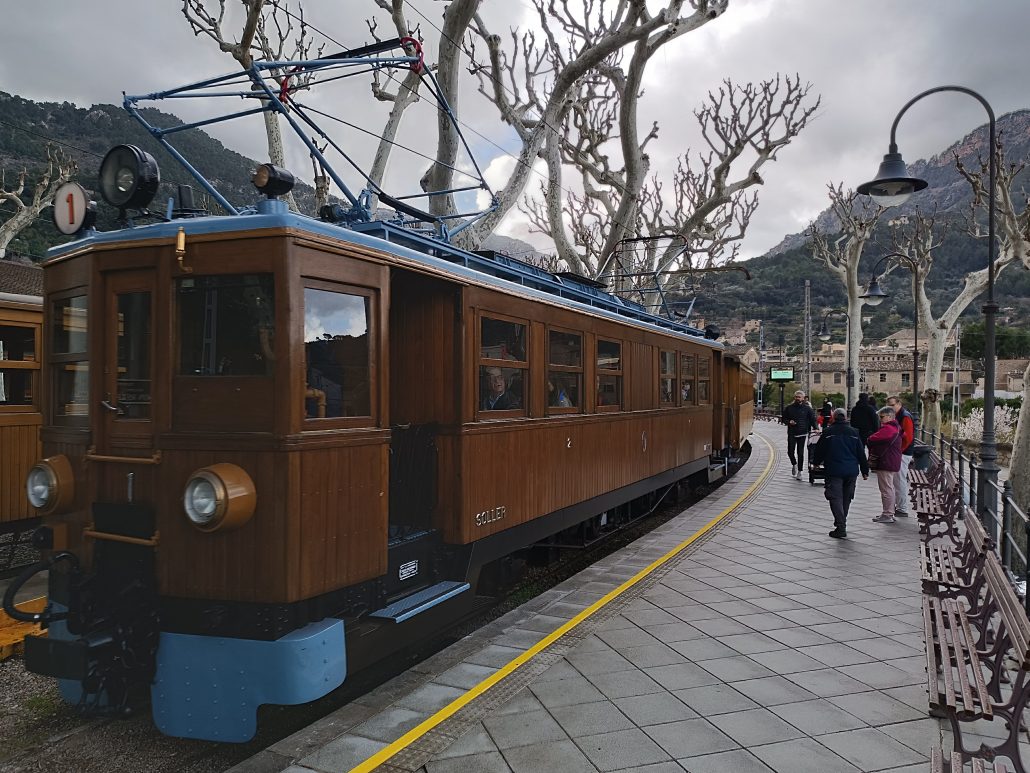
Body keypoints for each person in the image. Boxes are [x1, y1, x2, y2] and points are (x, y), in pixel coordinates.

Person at [811, 408, 869, 539]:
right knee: (847, 498)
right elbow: (861, 452)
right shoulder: (854, 432)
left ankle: (841, 526)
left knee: (835, 498)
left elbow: (820, 450)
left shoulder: (828, 432)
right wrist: (865, 471)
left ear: (833, 417)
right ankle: (842, 523)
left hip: (834, 470)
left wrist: (815, 463)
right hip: (851, 470)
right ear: (845, 417)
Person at [866, 406, 903, 524]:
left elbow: (872, 438)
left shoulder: (889, 429)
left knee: (886, 488)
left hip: (886, 461)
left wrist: (870, 439)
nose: (880, 419)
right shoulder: (895, 427)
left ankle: (887, 513)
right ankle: (889, 512)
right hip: (891, 461)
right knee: (889, 487)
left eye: (882, 417)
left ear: (890, 416)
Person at [886, 395, 915, 517]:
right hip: (901, 451)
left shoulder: (905, 416)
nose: (890, 408)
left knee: (899, 480)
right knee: (897, 480)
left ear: (899, 403)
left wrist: (899, 451)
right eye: (889, 406)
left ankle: (902, 507)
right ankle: (900, 506)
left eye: (892, 405)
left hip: (903, 452)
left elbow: (907, 438)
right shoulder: (900, 415)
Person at [781, 390, 818, 480]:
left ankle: (800, 472)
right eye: (796, 397)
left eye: (799, 397)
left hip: (802, 432)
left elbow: (812, 419)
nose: (797, 398)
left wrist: (816, 428)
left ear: (803, 398)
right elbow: (783, 419)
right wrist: (789, 422)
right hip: (792, 432)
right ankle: (794, 464)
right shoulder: (789, 408)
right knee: (790, 451)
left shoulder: (807, 409)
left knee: (800, 453)